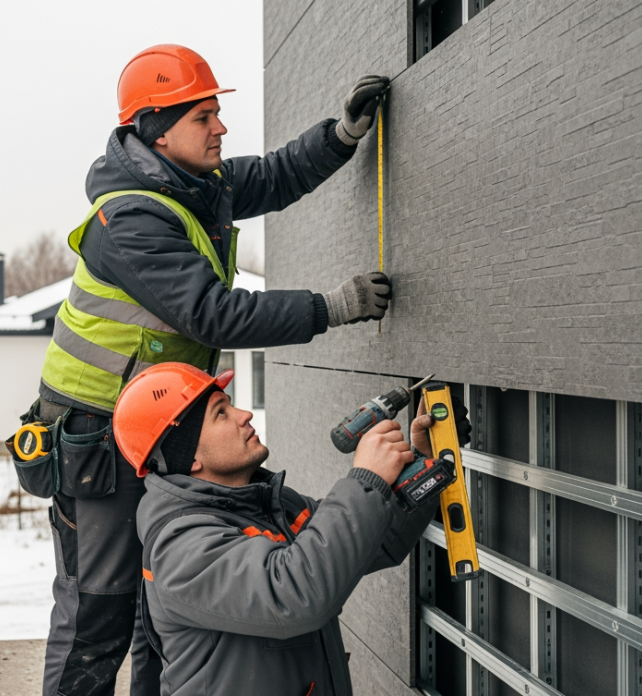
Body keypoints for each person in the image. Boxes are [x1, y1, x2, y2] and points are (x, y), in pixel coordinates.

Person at [30, 44, 394, 696]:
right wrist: (332, 307)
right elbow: (214, 315)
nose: (220, 127)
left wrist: (340, 137)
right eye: (204, 116)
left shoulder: (194, 185)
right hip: (97, 433)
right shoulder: (131, 219)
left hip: (153, 423)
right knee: (100, 609)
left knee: (154, 609)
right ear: (156, 130)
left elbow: (275, 176)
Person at [111, 362, 444, 696]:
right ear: (190, 457)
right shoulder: (180, 546)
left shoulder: (268, 504)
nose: (245, 415)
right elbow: (295, 594)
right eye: (221, 413)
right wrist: (366, 479)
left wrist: (421, 463)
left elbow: (369, 538)